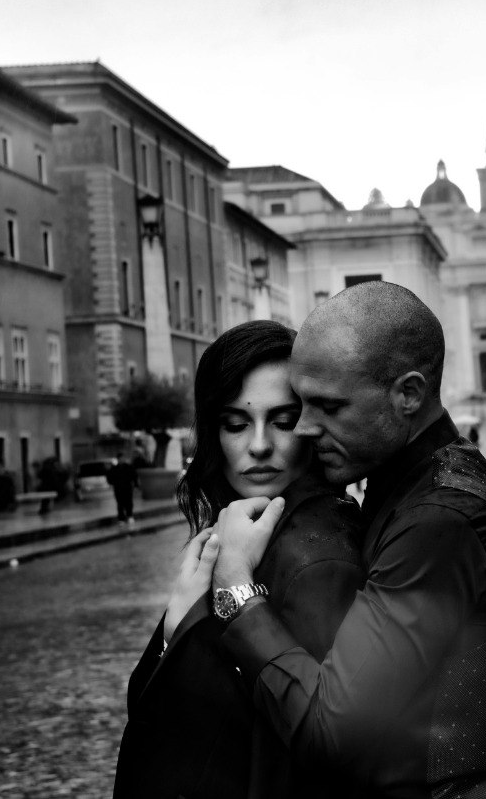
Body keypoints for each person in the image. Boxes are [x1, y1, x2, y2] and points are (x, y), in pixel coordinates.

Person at [213, 281, 486, 798]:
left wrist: (234, 591)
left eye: (328, 407)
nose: (302, 428)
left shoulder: (439, 519)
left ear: (408, 394)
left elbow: (334, 732)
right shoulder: (412, 482)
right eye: (300, 404)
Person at [114, 320, 368, 799]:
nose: (257, 446)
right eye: (236, 424)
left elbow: (325, 749)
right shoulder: (234, 537)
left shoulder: (318, 558)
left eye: (282, 420)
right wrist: (177, 624)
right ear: (213, 433)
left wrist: (193, 620)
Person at [105, 453, 137, 525]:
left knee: (129, 502)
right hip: (118, 488)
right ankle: (121, 518)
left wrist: (135, 485)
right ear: (118, 459)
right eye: (120, 458)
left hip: (127, 488)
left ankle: (130, 516)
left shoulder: (129, 467)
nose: (122, 460)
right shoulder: (114, 469)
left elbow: (134, 476)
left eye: (123, 458)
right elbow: (109, 478)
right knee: (120, 504)